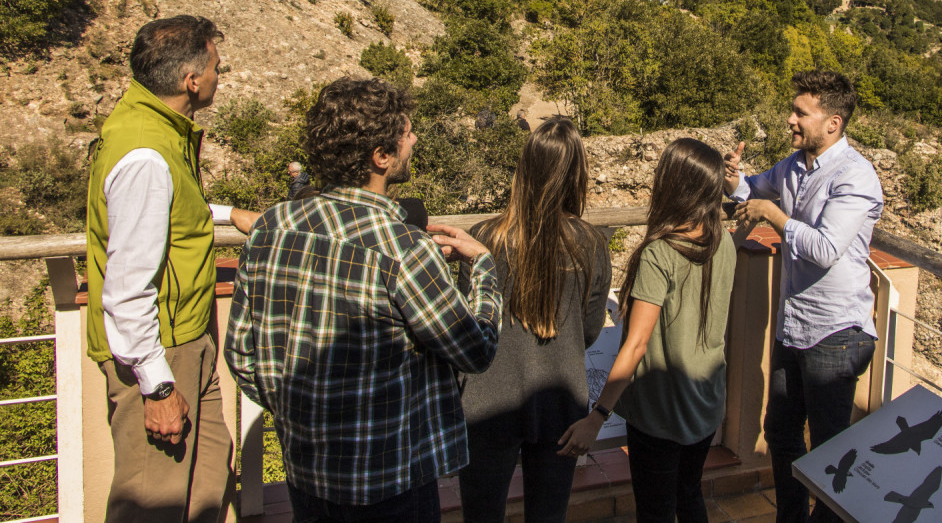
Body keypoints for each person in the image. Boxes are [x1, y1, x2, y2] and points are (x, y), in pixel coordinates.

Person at [225, 77, 503, 523]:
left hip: (306, 475)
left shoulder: (271, 227)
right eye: (406, 133)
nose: (414, 140)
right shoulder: (402, 249)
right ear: (381, 155)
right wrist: (484, 267)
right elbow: (476, 350)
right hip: (390, 483)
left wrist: (303, 420)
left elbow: (241, 352)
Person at [85, 14, 260, 523]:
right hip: (160, 351)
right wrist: (157, 387)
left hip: (185, 337)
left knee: (206, 485)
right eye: (215, 69)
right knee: (152, 501)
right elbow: (126, 286)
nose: (217, 78)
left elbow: (164, 213)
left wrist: (228, 215)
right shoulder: (145, 153)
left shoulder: (155, 133)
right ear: (191, 80)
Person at [724, 70, 883, 523]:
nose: (790, 119)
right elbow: (751, 189)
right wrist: (734, 179)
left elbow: (826, 249)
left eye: (800, 113)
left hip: (837, 334)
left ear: (832, 123)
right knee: (781, 432)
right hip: (794, 326)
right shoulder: (793, 166)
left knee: (831, 452)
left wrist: (774, 216)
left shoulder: (856, 176)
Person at [560, 138, 737, 523]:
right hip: (706, 401)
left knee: (655, 510)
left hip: (661, 411)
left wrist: (598, 416)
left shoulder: (661, 253)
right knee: (689, 495)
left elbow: (636, 343)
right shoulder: (724, 243)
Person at [457, 117, 611, 523]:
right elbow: (591, 331)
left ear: (523, 170)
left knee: (481, 515)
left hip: (487, 402)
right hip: (561, 402)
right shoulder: (593, 244)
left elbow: (467, 324)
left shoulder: (483, 238)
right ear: (576, 174)